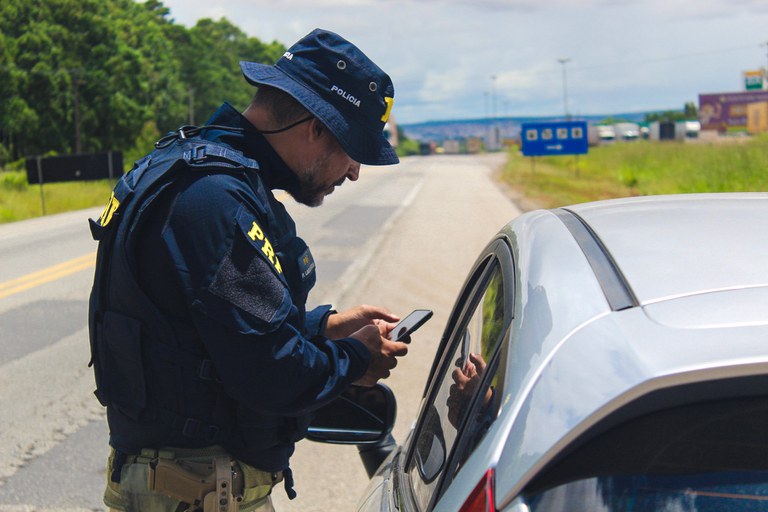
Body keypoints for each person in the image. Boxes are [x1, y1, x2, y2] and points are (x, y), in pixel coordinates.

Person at [87, 28, 408, 512]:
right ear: (316, 127)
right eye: (354, 151)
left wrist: (322, 328)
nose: (356, 171)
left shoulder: (200, 175)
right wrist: (356, 361)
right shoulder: (216, 199)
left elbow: (212, 334)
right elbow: (272, 374)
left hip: (187, 486)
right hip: (195, 491)